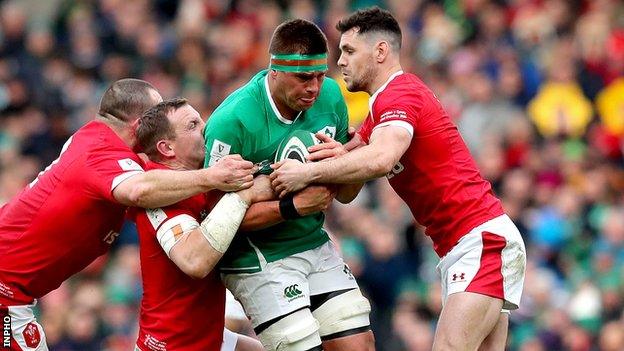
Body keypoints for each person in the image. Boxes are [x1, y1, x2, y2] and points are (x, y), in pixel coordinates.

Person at [270, 7, 527, 351]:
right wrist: (338, 155)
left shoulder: (400, 94)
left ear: (380, 52)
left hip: (480, 241)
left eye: (348, 51)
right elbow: (348, 191)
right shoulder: (377, 113)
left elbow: (382, 158)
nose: (340, 61)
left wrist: (308, 171)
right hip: (464, 245)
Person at [0, 79, 255, 351]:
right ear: (138, 126)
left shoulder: (96, 139)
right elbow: (139, 190)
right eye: (156, 114)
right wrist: (213, 177)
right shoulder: (102, 153)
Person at [204, 19, 375, 351]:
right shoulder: (232, 122)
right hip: (256, 256)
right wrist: (291, 206)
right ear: (275, 71)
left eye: (320, 76)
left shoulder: (330, 97)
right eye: (303, 78)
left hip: (312, 241)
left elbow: (347, 196)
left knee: (360, 345)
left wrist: (346, 164)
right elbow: (215, 225)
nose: (314, 87)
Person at [131, 98, 270, 351]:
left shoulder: (205, 176)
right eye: (193, 125)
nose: (205, 128)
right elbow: (195, 261)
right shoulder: (159, 195)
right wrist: (244, 195)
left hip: (209, 335)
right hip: (173, 344)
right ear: (167, 148)